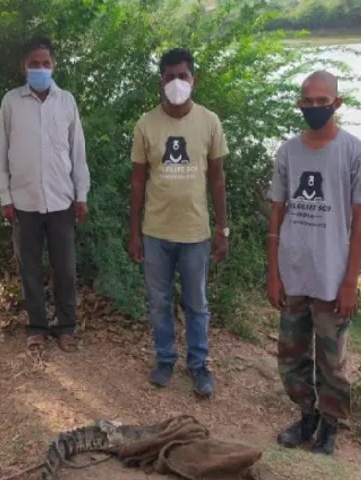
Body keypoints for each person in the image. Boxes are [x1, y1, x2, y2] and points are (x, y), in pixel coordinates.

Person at [266, 70, 361, 454]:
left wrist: (351, 281)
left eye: (322, 101)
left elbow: (360, 221)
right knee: (291, 357)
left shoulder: (353, 152)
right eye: (307, 101)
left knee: (332, 362)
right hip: (294, 273)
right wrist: (273, 273)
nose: (314, 107)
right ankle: (307, 417)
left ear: (336, 103)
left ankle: (330, 428)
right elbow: (277, 213)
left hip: (333, 279)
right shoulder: (288, 152)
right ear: (299, 104)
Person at [129, 48, 229, 398]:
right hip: (155, 232)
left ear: (193, 81)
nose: (176, 83)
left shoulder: (209, 122)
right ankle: (165, 359)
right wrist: (134, 232)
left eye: (182, 76)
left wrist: (222, 229)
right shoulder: (146, 124)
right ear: (161, 81)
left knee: (197, 304)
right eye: (169, 77)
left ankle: (199, 366)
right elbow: (138, 181)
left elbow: (217, 179)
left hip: (196, 233)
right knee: (158, 302)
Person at [0, 36, 90, 353]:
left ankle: (65, 327)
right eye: (34, 64)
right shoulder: (11, 102)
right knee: (29, 267)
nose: (40, 68)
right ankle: (36, 326)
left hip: (62, 199)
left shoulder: (66, 101)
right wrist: (4, 196)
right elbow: (0, 153)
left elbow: (77, 152)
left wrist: (82, 194)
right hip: (23, 202)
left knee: (65, 268)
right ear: (24, 66)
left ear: (54, 65)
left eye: (45, 63)